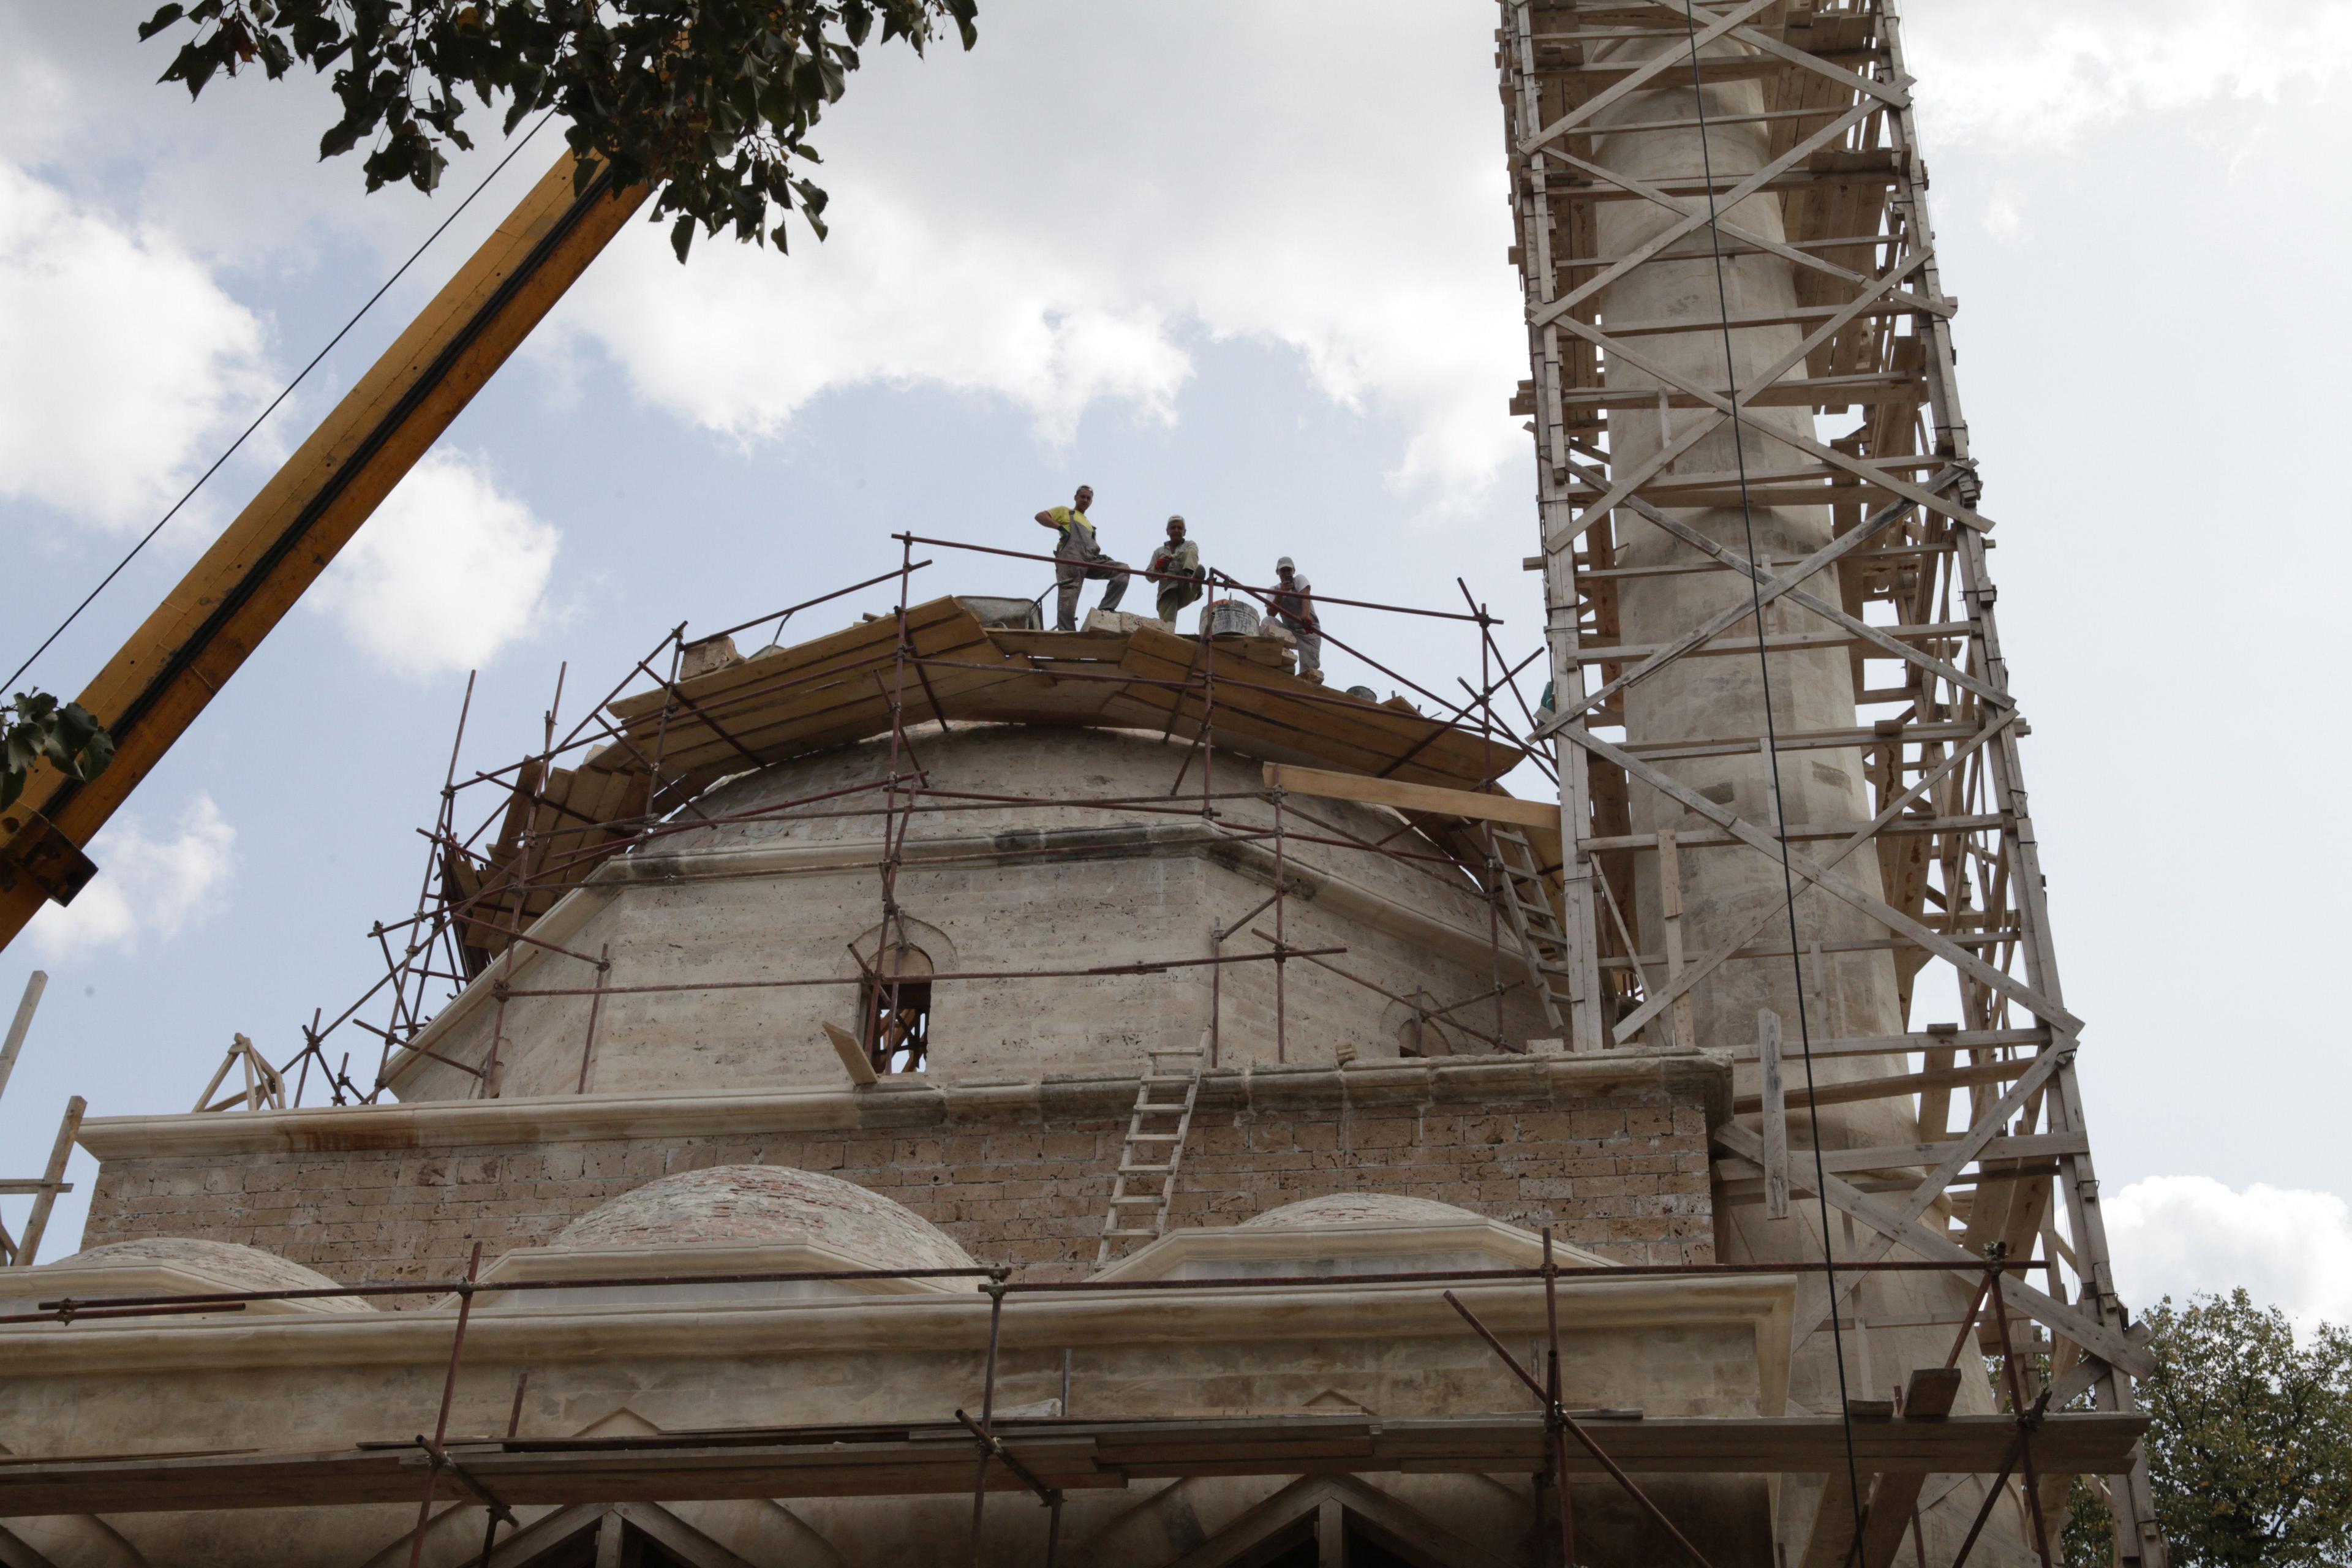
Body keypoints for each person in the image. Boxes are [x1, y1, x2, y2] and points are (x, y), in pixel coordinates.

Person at [1034, 484, 1129, 631]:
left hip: (1090, 558)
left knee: (1122, 570)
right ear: (1076, 498)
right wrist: (1059, 528)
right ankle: (1067, 636)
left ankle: (1106, 610)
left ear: (1091, 501)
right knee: (1069, 598)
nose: (1085, 500)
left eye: (1088, 498)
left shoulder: (1090, 526)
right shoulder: (1066, 512)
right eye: (1083, 497)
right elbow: (1040, 516)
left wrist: (1100, 556)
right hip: (1072, 558)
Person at [1145, 514, 1206, 627]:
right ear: (1167, 531)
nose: (1177, 530)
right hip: (1167, 590)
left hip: (1186, 586)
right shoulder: (1159, 552)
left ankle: (1195, 581)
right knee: (1167, 627)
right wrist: (1158, 568)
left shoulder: (1190, 545)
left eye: (1180, 528)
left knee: (1190, 553)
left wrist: (1172, 558)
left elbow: (1190, 552)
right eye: (1173, 528)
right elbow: (1149, 577)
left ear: (1185, 532)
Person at [1270, 556, 1322, 683]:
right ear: (1277, 572)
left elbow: (1306, 598)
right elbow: (1271, 613)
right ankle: (1276, 661)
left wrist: (1305, 617)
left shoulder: (1300, 580)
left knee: (1309, 674)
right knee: (1268, 622)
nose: (1286, 573)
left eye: (1289, 570)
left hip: (1308, 631)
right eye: (1283, 571)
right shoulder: (1274, 590)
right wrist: (1282, 593)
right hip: (1289, 631)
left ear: (1294, 571)